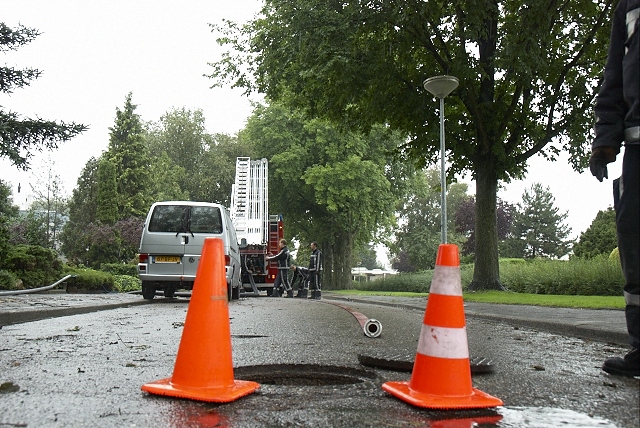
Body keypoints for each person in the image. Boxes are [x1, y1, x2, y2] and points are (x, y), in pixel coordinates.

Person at [589, 0, 639, 377]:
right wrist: (605, 139)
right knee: (635, 245)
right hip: (638, 146)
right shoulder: (628, 6)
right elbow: (615, 77)